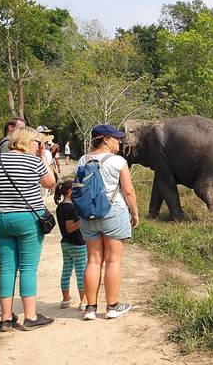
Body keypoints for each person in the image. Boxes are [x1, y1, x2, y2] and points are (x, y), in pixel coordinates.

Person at [0, 127, 56, 331]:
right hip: (28, 219)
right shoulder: (34, 161)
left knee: (7, 268)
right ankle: (30, 317)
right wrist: (43, 156)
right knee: (28, 268)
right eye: (38, 142)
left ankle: (5, 319)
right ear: (31, 142)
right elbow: (51, 182)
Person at [78, 124, 139, 320]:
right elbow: (128, 191)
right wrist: (135, 213)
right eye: (116, 138)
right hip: (113, 212)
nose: (119, 141)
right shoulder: (118, 161)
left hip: (88, 215)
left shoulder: (82, 160)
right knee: (114, 260)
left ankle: (90, 308)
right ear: (105, 139)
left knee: (93, 260)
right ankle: (112, 307)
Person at [54, 180, 87, 311]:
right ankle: (84, 301)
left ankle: (65, 299)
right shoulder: (70, 208)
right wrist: (82, 220)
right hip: (77, 244)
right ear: (70, 192)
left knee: (66, 270)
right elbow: (70, 227)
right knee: (81, 272)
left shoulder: (60, 207)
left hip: (66, 243)